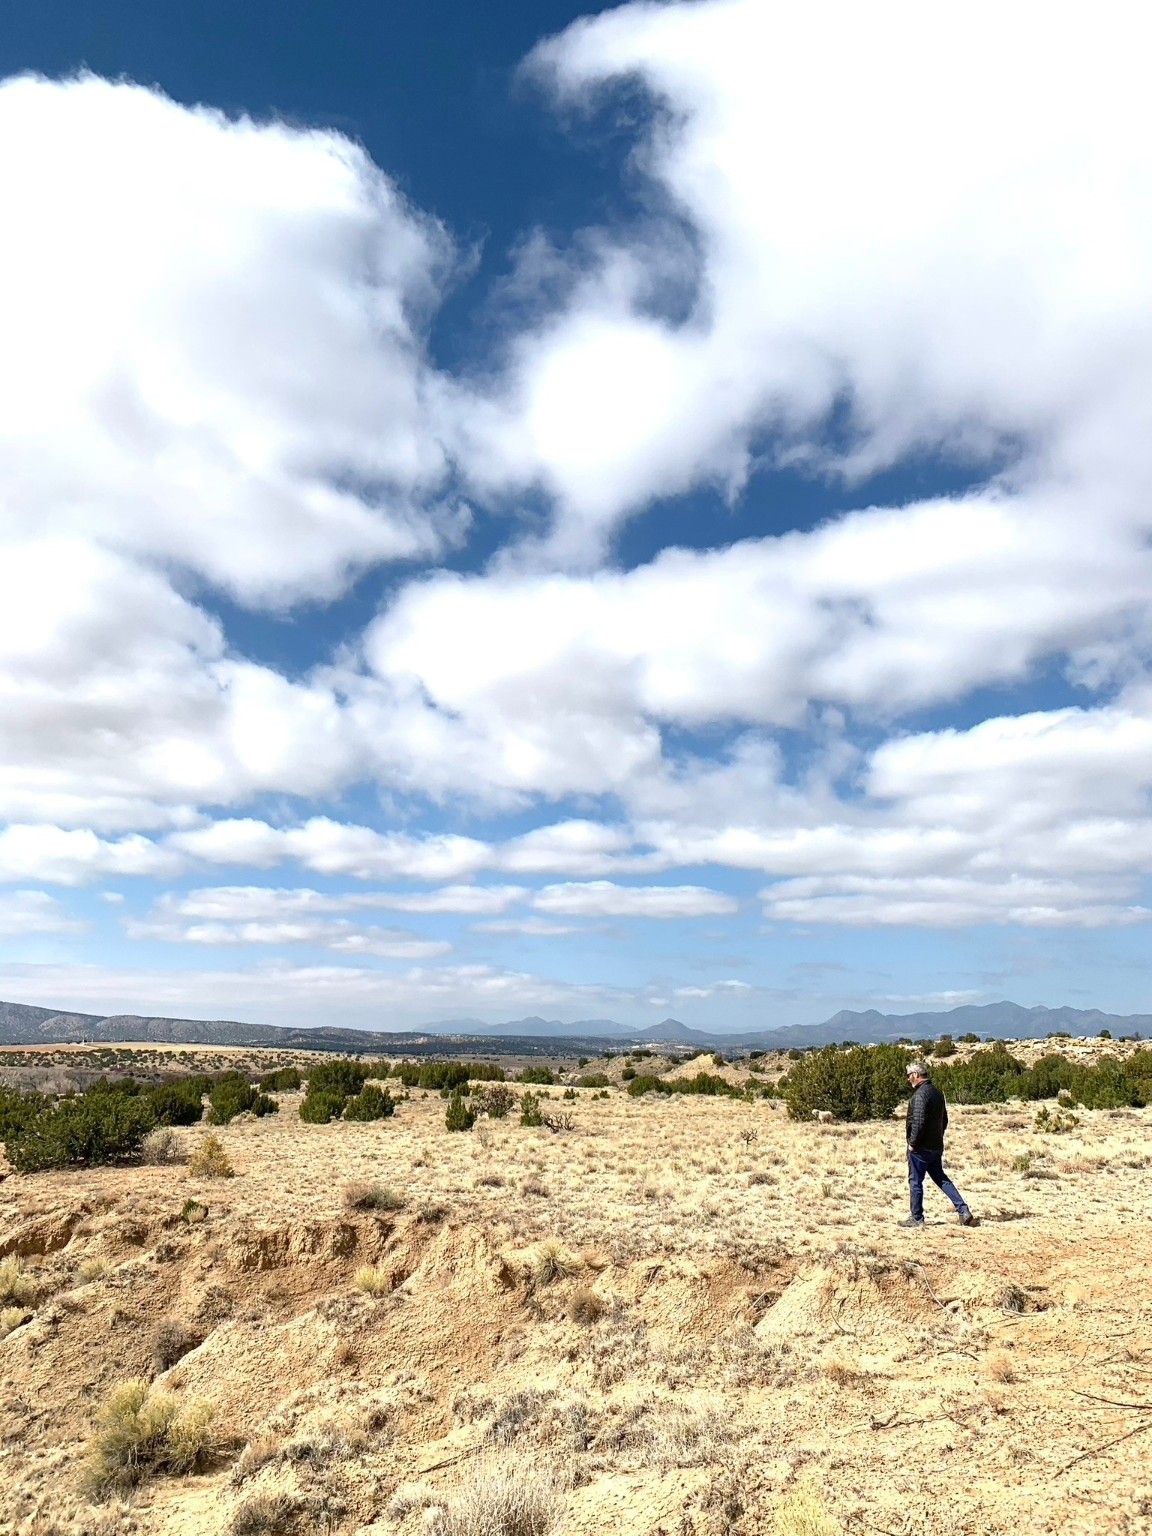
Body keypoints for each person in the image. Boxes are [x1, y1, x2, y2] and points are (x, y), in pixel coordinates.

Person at [900, 1060, 975, 1228]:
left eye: (909, 1076)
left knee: (915, 1181)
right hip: (935, 1146)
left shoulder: (920, 1095)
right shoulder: (937, 1093)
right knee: (941, 1178)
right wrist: (937, 1136)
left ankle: (917, 1218)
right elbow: (944, 1119)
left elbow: (918, 1122)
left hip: (920, 1148)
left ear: (916, 1075)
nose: (908, 1079)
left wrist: (913, 1143)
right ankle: (963, 1210)